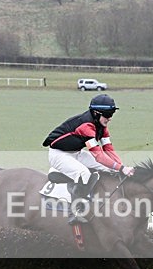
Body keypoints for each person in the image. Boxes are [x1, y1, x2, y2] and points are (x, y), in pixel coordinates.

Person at [42, 94, 135, 223]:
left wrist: (121, 167)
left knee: (111, 169)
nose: (110, 119)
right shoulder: (86, 127)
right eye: (107, 115)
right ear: (96, 113)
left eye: (111, 114)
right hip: (58, 155)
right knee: (83, 173)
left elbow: (108, 149)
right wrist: (122, 168)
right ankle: (76, 211)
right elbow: (99, 156)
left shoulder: (102, 127)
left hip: (76, 153)